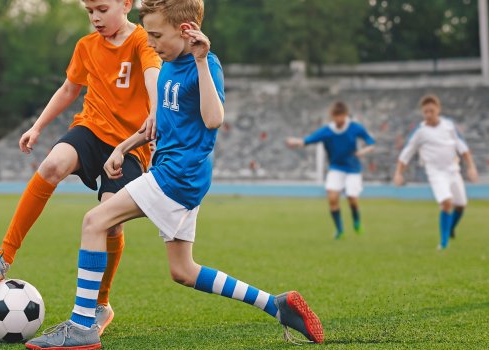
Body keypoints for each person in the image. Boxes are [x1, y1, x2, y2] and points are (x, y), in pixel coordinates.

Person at [26, 1, 323, 348]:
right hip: (178, 173)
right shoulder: (166, 63)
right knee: (183, 271)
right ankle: (277, 305)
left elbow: (214, 119)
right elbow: (156, 125)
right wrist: (122, 148)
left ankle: (81, 327)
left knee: (95, 222)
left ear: (185, 31)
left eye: (155, 35)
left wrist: (200, 60)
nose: (149, 43)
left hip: (178, 175)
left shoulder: (205, 64)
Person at [0, 0, 162, 335]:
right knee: (51, 166)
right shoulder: (86, 46)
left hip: (129, 146)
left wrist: (157, 113)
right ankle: (3, 256)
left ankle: (101, 304)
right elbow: (70, 89)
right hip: (90, 129)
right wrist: (38, 126)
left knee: (109, 223)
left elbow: (153, 77)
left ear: (126, 4)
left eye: (102, 9)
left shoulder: (143, 41)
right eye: (89, 11)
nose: (95, 18)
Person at [393, 94, 478, 249]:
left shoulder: (449, 126)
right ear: (422, 112)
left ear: (438, 109)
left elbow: (463, 147)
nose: (429, 115)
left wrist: (471, 167)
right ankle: (443, 243)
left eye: (431, 111)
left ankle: (450, 228)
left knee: (460, 205)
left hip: (453, 170)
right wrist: (398, 173)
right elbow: (406, 153)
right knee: (446, 203)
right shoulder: (420, 132)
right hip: (436, 173)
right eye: (425, 112)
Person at [286, 102, 376, 239]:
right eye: (335, 117)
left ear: (345, 115)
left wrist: (364, 151)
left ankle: (356, 221)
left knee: (352, 198)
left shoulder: (354, 128)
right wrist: (296, 142)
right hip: (336, 168)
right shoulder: (327, 131)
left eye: (340, 116)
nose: (338, 120)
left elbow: (371, 142)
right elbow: (309, 140)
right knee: (332, 198)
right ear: (332, 116)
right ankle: (340, 231)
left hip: (353, 168)